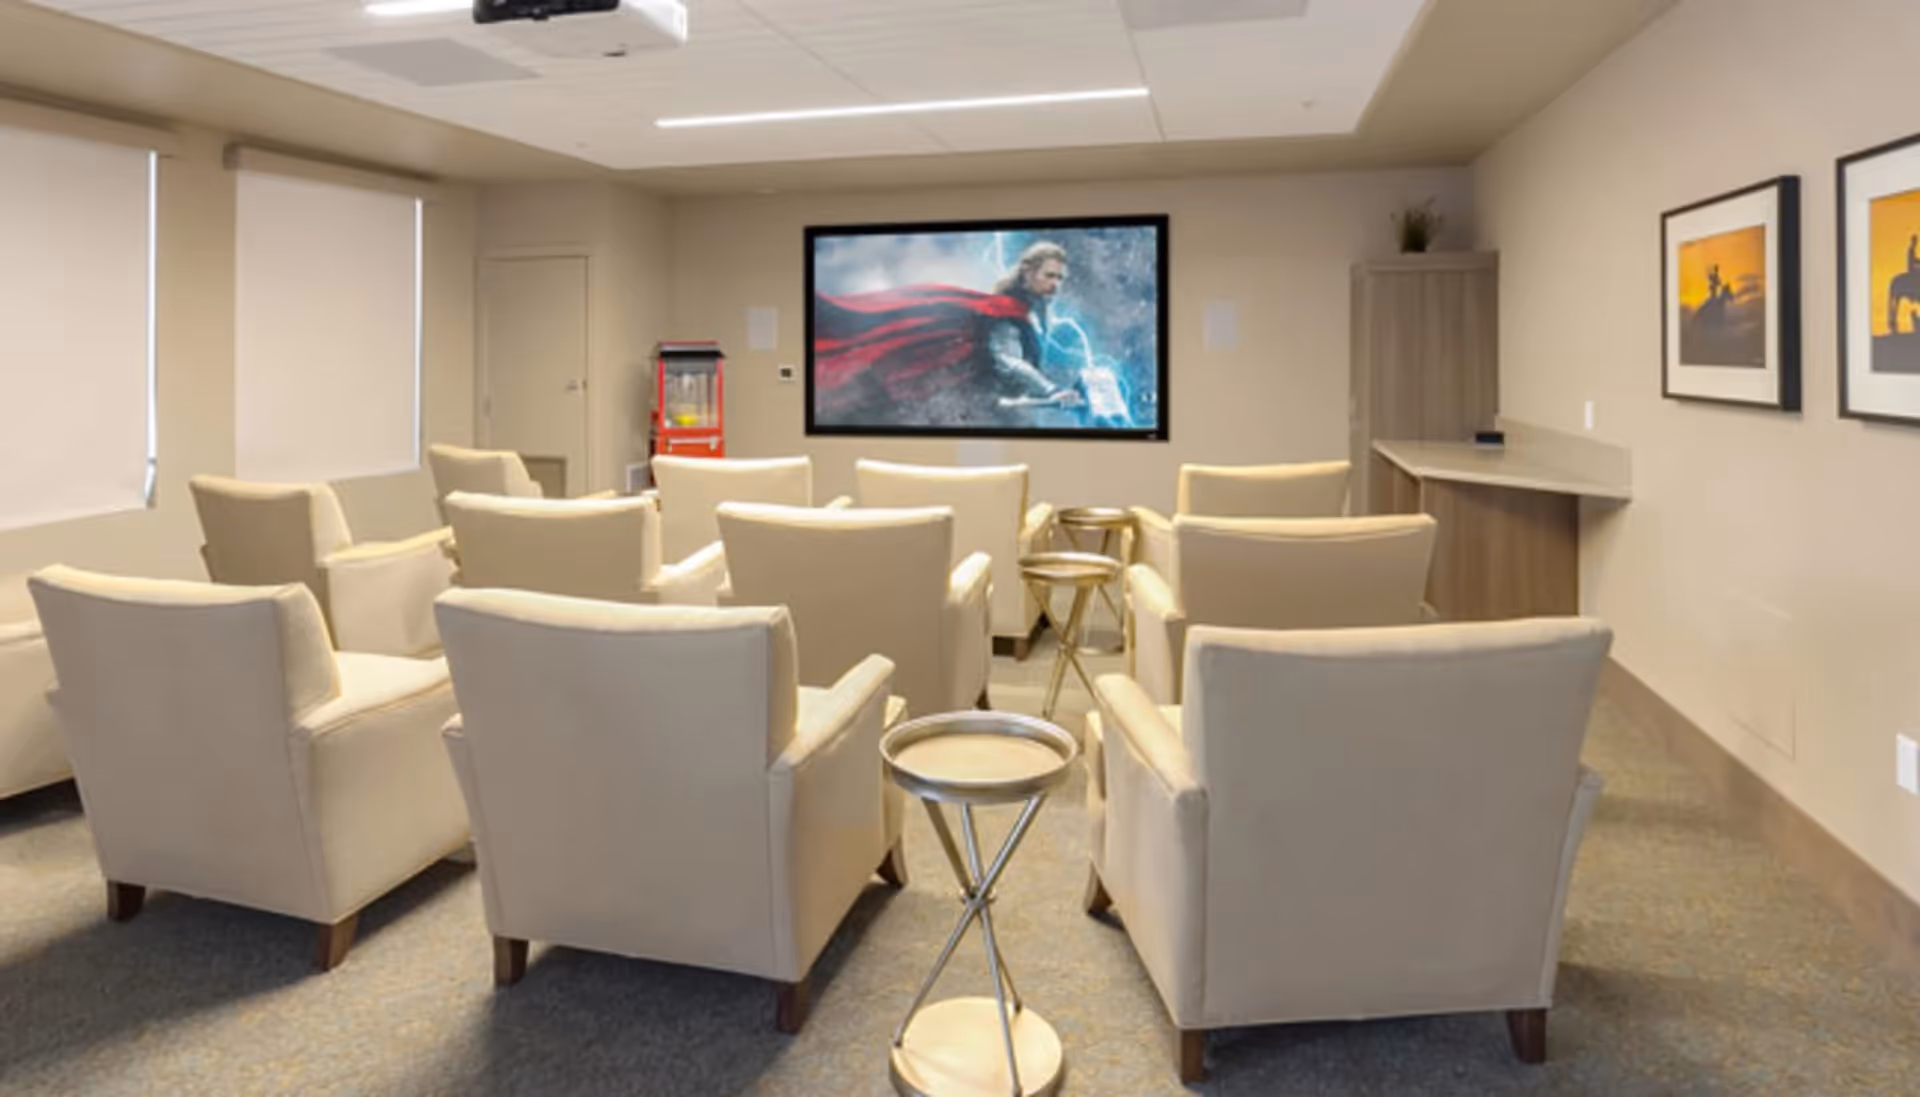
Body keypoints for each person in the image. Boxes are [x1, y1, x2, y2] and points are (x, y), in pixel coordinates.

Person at [811, 241, 1085, 427]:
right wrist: (1052, 390)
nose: (1055, 284)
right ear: (1027, 272)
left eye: (1060, 278)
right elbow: (1008, 360)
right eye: (1049, 276)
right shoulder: (1008, 310)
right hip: (976, 400)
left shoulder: (1030, 309)